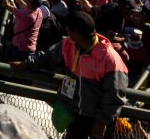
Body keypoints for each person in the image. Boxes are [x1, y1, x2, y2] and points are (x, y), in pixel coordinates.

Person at [18, 9, 126, 139]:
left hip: (97, 121)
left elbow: (115, 95)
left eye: (68, 29)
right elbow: (47, 58)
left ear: (77, 33)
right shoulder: (69, 44)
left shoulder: (110, 59)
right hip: (75, 116)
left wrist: (101, 122)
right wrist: (27, 64)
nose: (66, 32)